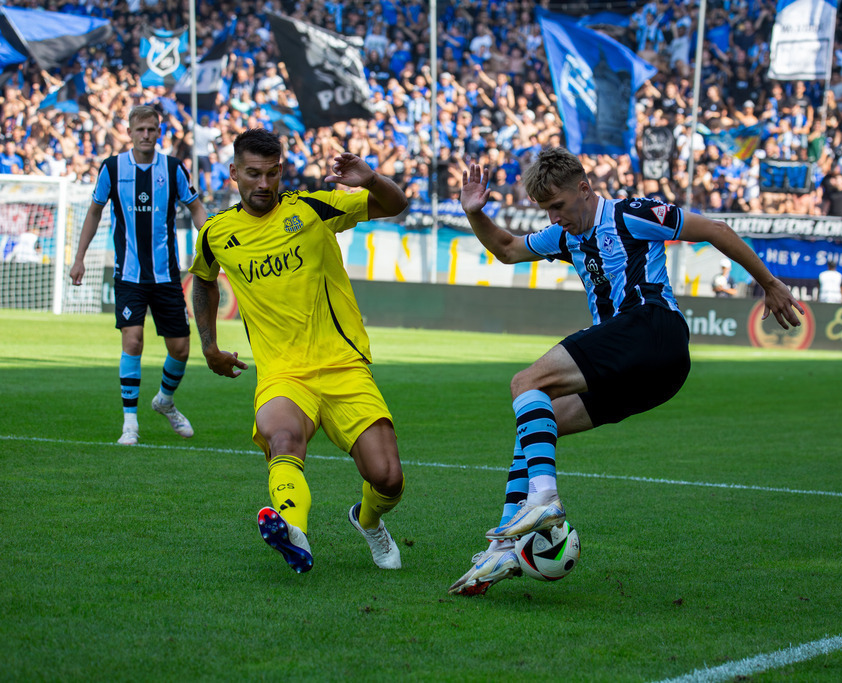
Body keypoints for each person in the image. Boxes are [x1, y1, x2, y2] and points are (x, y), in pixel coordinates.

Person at [449, 148, 804, 596]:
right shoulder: (564, 236)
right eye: (546, 211)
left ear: (584, 188)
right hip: (653, 374)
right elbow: (505, 249)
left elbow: (715, 229)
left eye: (558, 206)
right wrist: (475, 213)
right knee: (537, 423)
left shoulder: (632, 213)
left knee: (526, 383)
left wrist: (769, 283)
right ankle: (504, 544)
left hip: (652, 329)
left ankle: (543, 500)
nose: (555, 218)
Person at [188, 128, 409, 574]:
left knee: (387, 478)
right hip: (283, 374)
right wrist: (208, 346)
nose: (264, 184)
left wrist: (369, 179)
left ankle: (368, 521)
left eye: (272, 173)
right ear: (234, 173)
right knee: (282, 438)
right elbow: (205, 281)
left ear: (281, 171)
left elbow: (395, 204)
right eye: (253, 174)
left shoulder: (312, 207)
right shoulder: (216, 233)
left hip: (344, 366)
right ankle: (293, 532)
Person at [69, 105, 208, 446]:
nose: (146, 134)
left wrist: (210, 244)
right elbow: (94, 211)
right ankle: (129, 422)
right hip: (129, 274)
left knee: (181, 349)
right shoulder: (113, 169)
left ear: (159, 132)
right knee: (133, 341)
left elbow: (196, 207)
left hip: (166, 276)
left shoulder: (173, 168)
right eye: (140, 129)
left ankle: (164, 400)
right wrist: (79, 257)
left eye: (152, 129)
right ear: (129, 132)